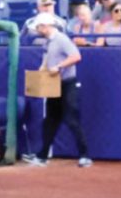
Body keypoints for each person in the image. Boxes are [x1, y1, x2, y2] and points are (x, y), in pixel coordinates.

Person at [26, 12, 89, 167]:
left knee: (72, 120)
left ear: (46, 26)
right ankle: (42, 156)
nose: (38, 30)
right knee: (50, 121)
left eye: (40, 26)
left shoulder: (61, 39)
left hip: (68, 84)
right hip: (54, 85)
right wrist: (43, 70)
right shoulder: (47, 42)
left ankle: (84, 156)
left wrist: (59, 67)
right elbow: (47, 59)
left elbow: (76, 56)